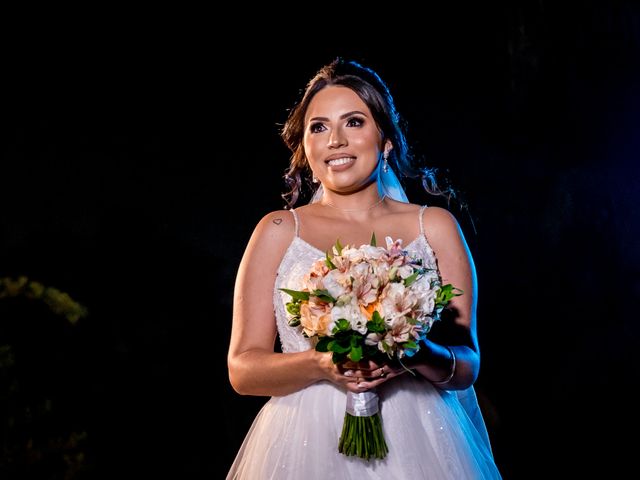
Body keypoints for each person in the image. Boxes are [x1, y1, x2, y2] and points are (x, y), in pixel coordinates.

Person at [226, 57, 502, 479]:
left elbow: (467, 366)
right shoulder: (278, 230)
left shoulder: (434, 226)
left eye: (353, 122)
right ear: (306, 149)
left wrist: (415, 352)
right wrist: (320, 365)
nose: (334, 139)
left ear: (386, 140)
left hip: (419, 438)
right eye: (318, 128)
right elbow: (242, 370)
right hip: (303, 442)